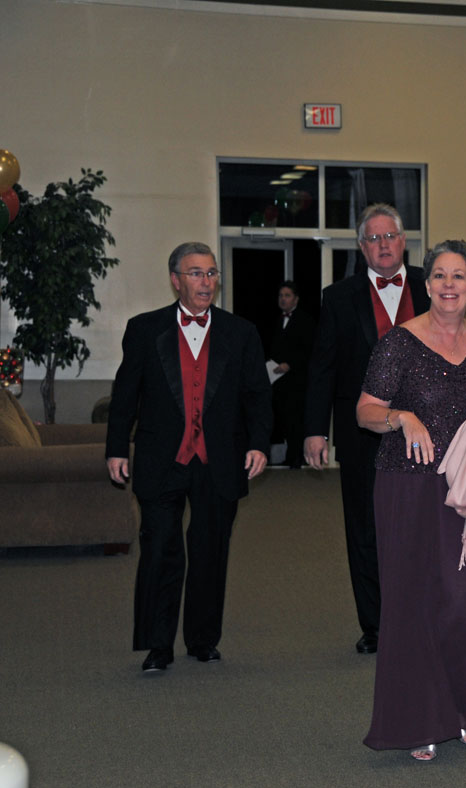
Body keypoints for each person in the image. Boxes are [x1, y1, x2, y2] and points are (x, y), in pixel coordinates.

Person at [355, 239, 466, 761]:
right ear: (427, 285)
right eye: (439, 275)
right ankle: (418, 718)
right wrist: (401, 417)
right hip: (408, 487)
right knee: (415, 601)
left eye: (459, 275)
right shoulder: (398, 343)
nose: (449, 284)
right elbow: (365, 411)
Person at [105, 242, 272, 674]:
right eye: (196, 273)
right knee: (160, 549)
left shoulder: (241, 332)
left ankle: (202, 639)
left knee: (210, 551)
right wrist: (117, 448)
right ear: (175, 280)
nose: (206, 282)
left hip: (220, 459)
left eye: (212, 273)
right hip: (162, 459)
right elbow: (125, 395)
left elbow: (257, 395)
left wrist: (258, 443)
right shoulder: (144, 329)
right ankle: (158, 645)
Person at [304, 203, 430, 654]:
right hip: (361, 433)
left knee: (423, 526)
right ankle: (376, 626)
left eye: (390, 236)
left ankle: (420, 619)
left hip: (426, 433)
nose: (383, 245)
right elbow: (323, 366)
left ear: (404, 241)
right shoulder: (338, 297)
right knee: (365, 528)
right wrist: (315, 430)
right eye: (373, 238)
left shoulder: (431, 287)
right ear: (362, 247)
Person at [268, 281, 315, 468]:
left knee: (296, 419)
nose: (283, 299)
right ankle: (290, 455)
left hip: (298, 381)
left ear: (296, 299)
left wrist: (290, 364)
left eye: (287, 295)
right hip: (279, 380)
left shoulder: (305, 321)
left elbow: (310, 351)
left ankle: (297, 457)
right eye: (281, 295)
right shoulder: (276, 321)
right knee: (284, 419)